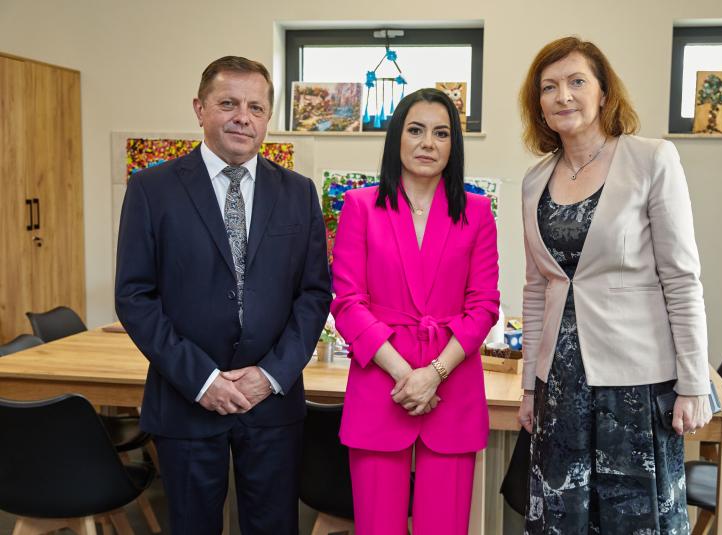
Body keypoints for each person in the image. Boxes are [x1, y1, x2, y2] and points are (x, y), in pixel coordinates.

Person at [115, 56, 331, 535]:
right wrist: (202, 379)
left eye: (256, 107)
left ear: (268, 118)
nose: (243, 118)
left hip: (272, 404)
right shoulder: (151, 189)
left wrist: (270, 375)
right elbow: (134, 296)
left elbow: (315, 293)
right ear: (199, 109)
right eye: (228, 104)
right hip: (186, 399)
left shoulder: (298, 193)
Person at [517, 37, 712, 533]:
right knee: (564, 519)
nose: (563, 96)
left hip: (635, 383)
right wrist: (529, 386)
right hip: (560, 384)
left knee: (635, 519)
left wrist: (693, 383)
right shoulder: (534, 181)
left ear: (604, 92)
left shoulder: (651, 159)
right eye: (549, 87)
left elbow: (681, 278)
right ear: (538, 104)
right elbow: (537, 289)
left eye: (576, 81)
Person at [330, 88, 499, 535]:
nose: (428, 143)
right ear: (397, 139)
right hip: (381, 382)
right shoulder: (360, 207)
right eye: (416, 130)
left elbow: (484, 306)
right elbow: (347, 303)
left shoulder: (477, 211)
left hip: (452, 385)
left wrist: (435, 374)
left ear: (453, 145)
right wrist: (407, 375)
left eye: (441, 133)